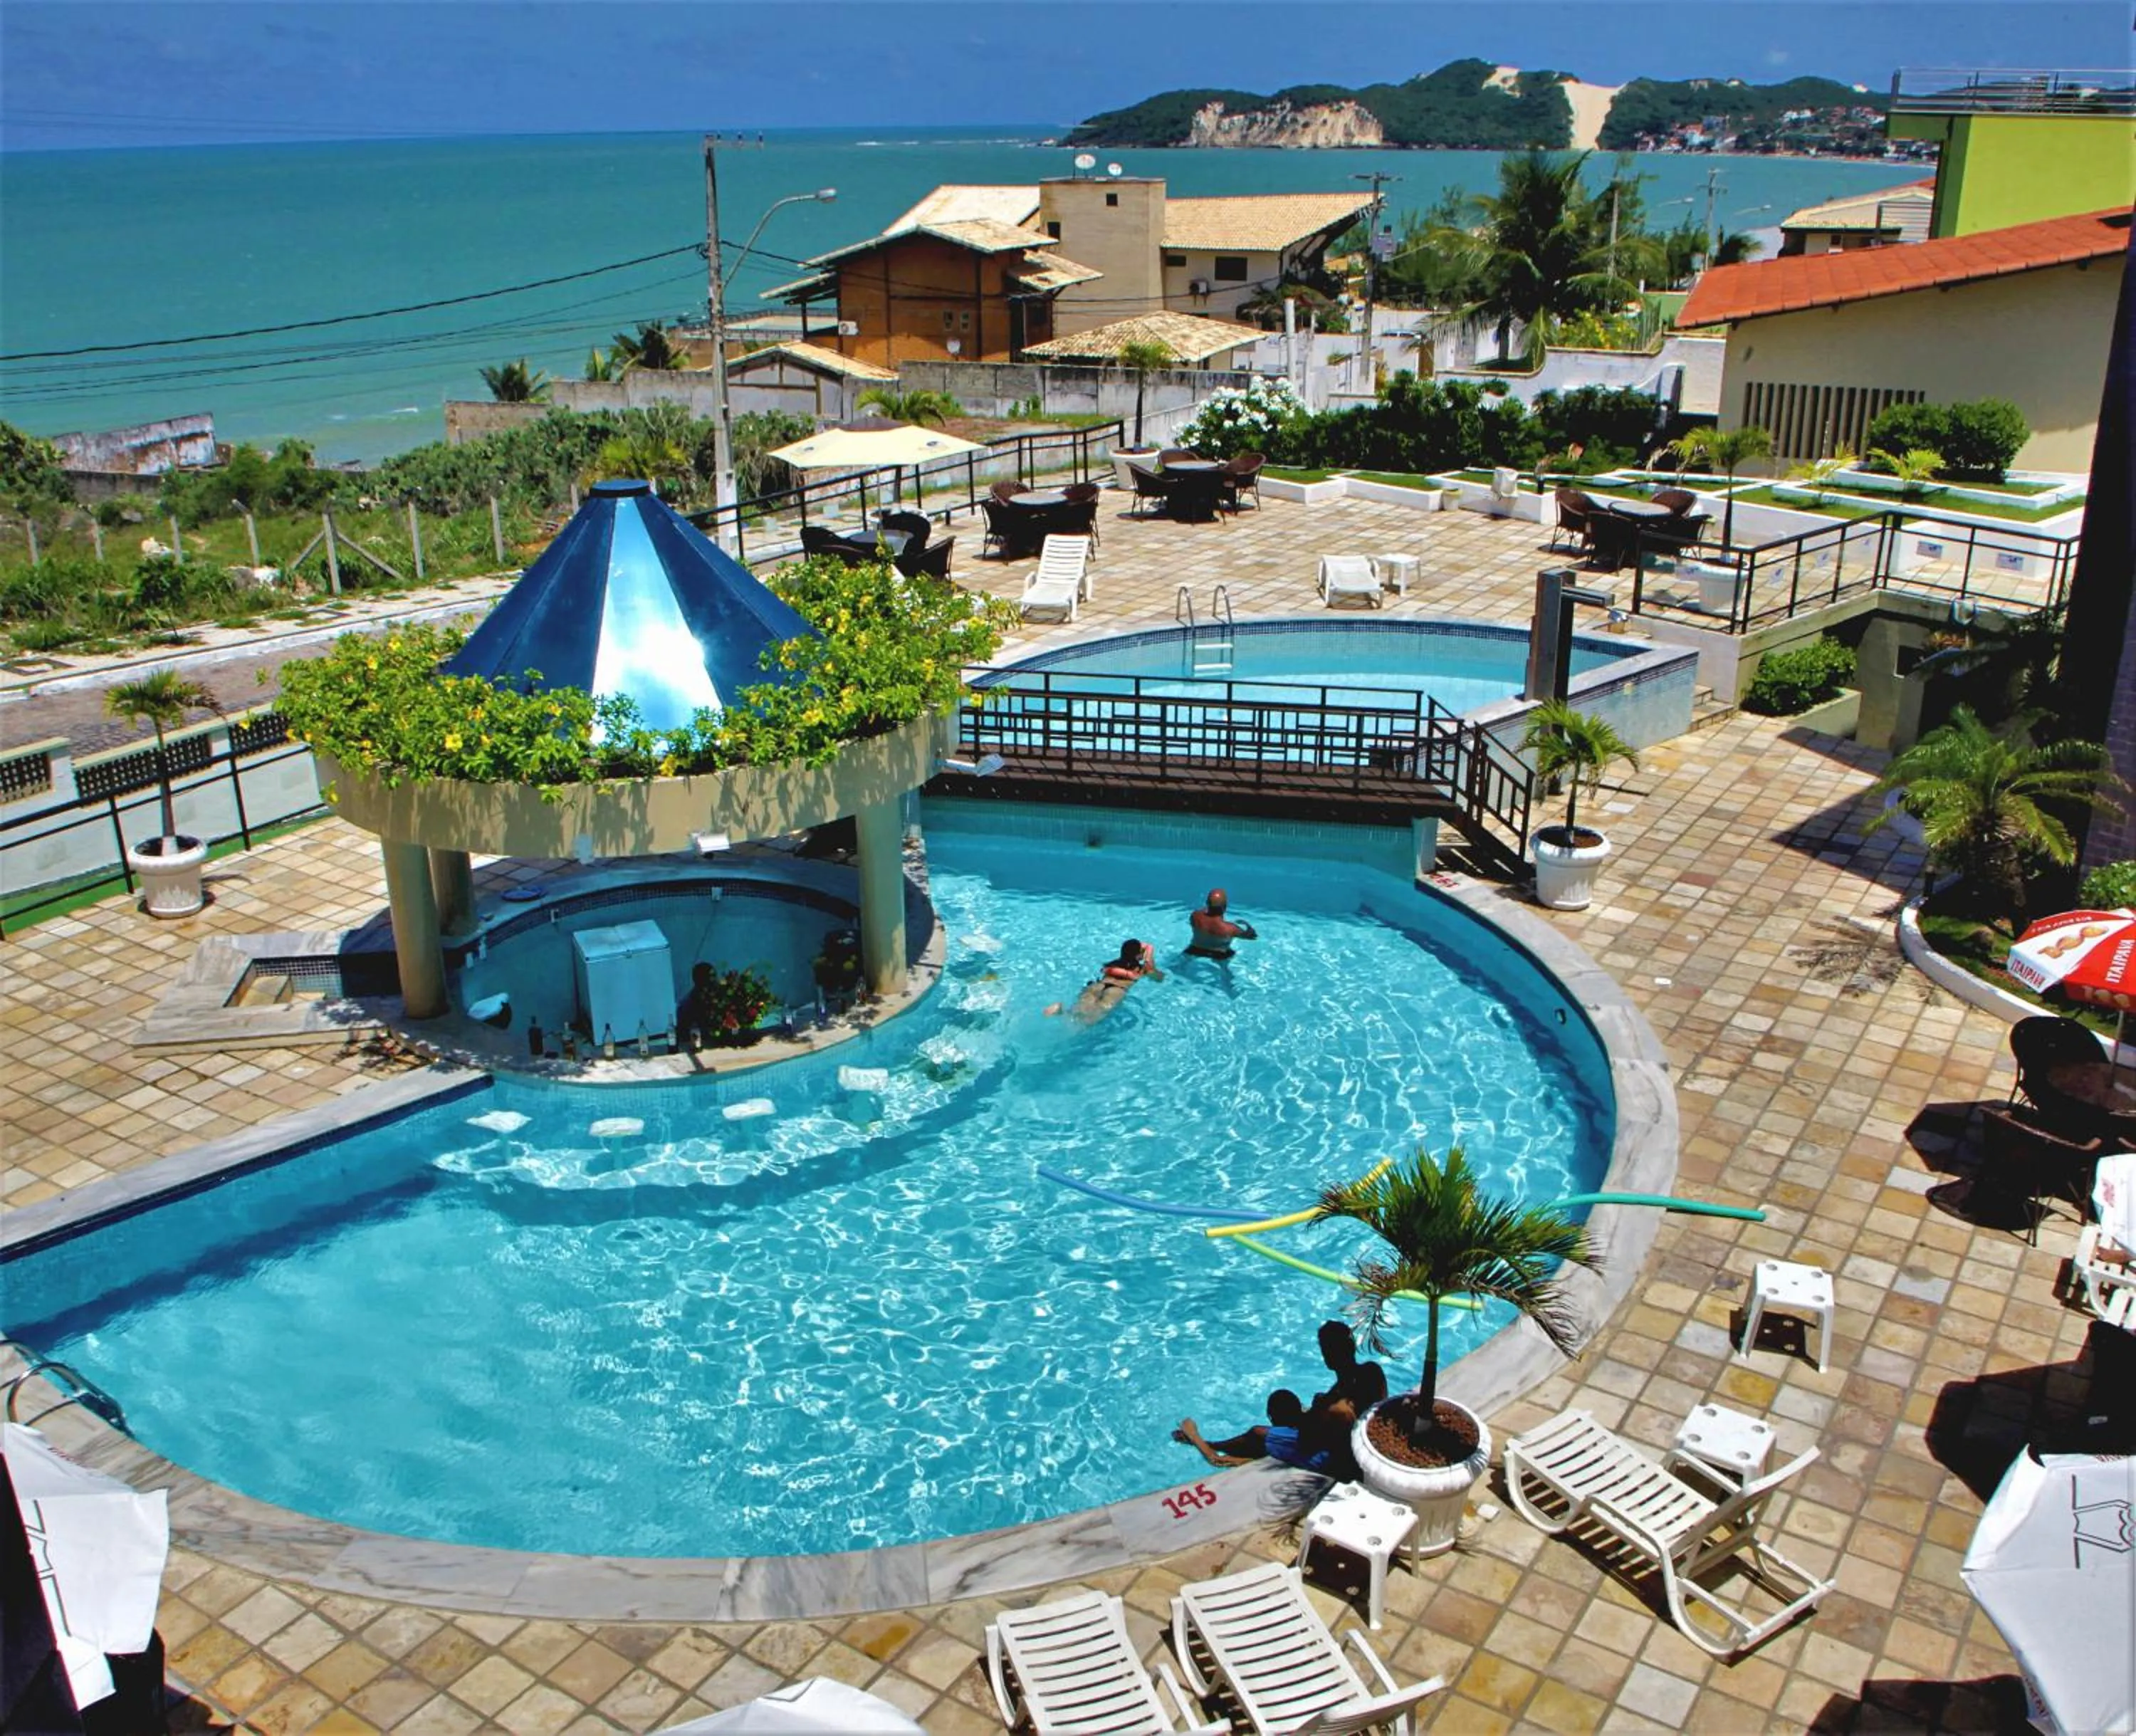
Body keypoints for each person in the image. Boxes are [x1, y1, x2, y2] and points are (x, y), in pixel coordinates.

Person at [1173, 1390, 1331, 1472]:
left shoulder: (1268, 1438)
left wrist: (1192, 1434)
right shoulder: (1318, 1422)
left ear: (1270, 1416)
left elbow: (1217, 1460)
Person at [1045, 938, 1163, 1023]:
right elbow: (1159, 978)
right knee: (1091, 1019)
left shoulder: (1113, 964)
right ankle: (1062, 1015)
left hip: (1097, 986)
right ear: (1139, 955)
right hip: (1116, 991)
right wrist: (1149, 956)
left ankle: (1061, 1012)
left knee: (1079, 1011)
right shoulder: (1140, 970)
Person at [1187, 889, 1258, 960]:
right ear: (1225, 907)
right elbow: (1252, 937)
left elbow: (1199, 916)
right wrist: (1247, 925)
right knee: (1226, 967)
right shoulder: (1231, 928)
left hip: (1194, 949)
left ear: (1207, 903)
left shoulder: (1195, 916)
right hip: (1219, 954)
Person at [675, 961, 718, 1048]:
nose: (714, 980)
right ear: (699, 979)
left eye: (714, 976)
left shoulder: (721, 997)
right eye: (710, 976)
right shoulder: (687, 1005)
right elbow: (684, 1036)